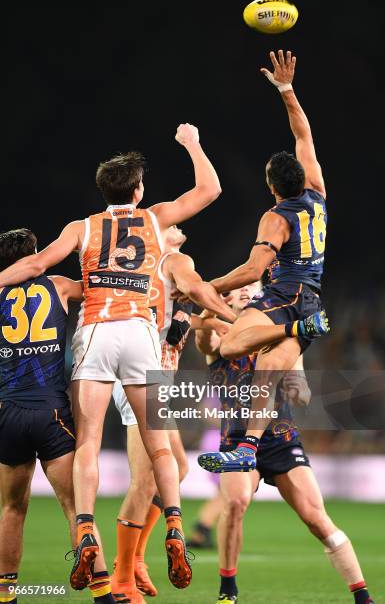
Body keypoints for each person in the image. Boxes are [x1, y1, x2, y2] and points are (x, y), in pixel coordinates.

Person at [0, 123, 225, 599]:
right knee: (159, 445)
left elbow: (38, 266)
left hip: (97, 332)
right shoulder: (156, 219)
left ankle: (84, 528)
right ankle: (176, 524)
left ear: (102, 191)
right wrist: (192, 143)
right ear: (139, 191)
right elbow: (210, 189)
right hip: (142, 335)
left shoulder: (81, 227)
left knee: (89, 442)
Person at [195, 284, 375, 604]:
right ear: (228, 301)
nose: (247, 295)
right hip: (237, 441)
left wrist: (297, 386)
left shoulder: (283, 338)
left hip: (281, 441)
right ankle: (228, 590)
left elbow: (302, 393)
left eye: (253, 290)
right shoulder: (221, 338)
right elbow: (202, 337)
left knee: (317, 519)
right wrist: (209, 311)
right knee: (235, 504)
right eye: (239, 292)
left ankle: (362, 595)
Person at [197, 50, 330, 474]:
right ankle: (249, 449)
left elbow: (253, 272)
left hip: (283, 296)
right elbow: (304, 137)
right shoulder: (318, 194)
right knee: (268, 371)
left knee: (235, 344)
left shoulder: (276, 218)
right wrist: (287, 90)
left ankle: (292, 330)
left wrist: (205, 287)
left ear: (270, 185)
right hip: (311, 300)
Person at [111, 225, 233, 602]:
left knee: (176, 468)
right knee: (145, 481)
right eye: (171, 222)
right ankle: (122, 575)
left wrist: (216, 321)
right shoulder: (169, 262)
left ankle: (136, 558)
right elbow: (198, 289)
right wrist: (234, 316)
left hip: (153, 381)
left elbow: (191, 316)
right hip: (141, 379)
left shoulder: (155, 278)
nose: (180, 224)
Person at [0, 229, 115, 604]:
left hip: (8, 413)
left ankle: (6, 595)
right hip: (51, 412)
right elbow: (103, 292)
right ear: (36, 255)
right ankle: (103, 595)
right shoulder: (60, 286)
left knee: (12, 508)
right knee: (76, 509)